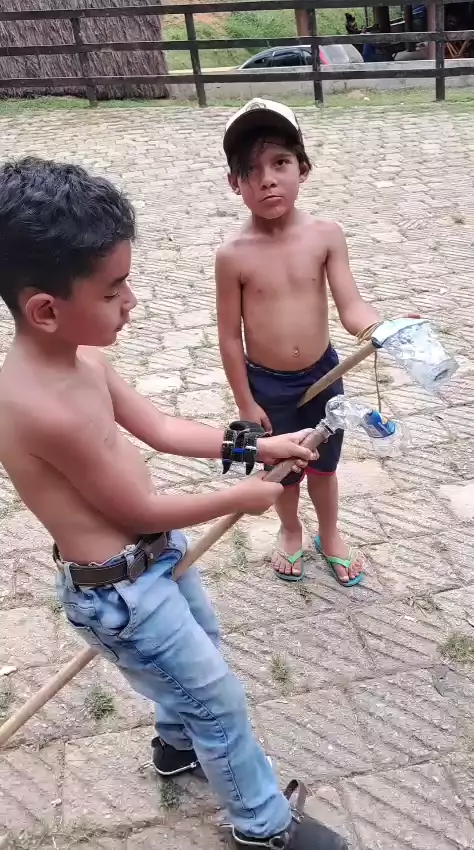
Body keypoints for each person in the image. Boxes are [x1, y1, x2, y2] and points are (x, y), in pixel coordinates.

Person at [0, 157, 348, 850]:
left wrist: (255, 446)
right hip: (121, 595)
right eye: (113, 290)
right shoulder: (39, 408)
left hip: (156, 560)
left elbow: (159, 427)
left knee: (199, 660)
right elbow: (138, 509)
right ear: (45, 309)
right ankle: (262, 825)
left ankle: (177, 745)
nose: (131, 302)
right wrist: (241, 497)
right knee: (217, 699)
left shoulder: (85, 360)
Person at [216, 99, 382, 585]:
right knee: (283, 472)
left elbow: (351, 306)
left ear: (303, 169)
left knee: (323, 468)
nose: (267, 179)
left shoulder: (326, 236)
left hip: (324, 378)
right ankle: (290, 529)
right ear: (234, 183)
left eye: (280, 163)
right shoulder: (232, 255)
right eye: (251, 171)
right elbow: (229, 337)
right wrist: (246, 403)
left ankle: (330, 534)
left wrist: (380, 328)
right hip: (268, 387)